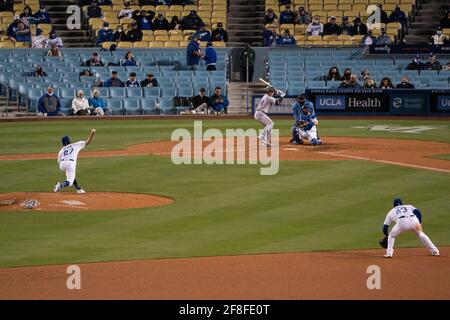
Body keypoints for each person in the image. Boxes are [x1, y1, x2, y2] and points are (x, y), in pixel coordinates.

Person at [53, 129, 96, 194]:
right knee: (70, 181)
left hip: (62, 165)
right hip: (70, 163)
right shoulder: (76, 145)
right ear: (69, 141)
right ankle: (60, 185)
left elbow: (59, 162)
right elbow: (87, 142)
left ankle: (78, 189)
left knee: (71, 174)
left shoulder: (61, 150)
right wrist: (92, 133)